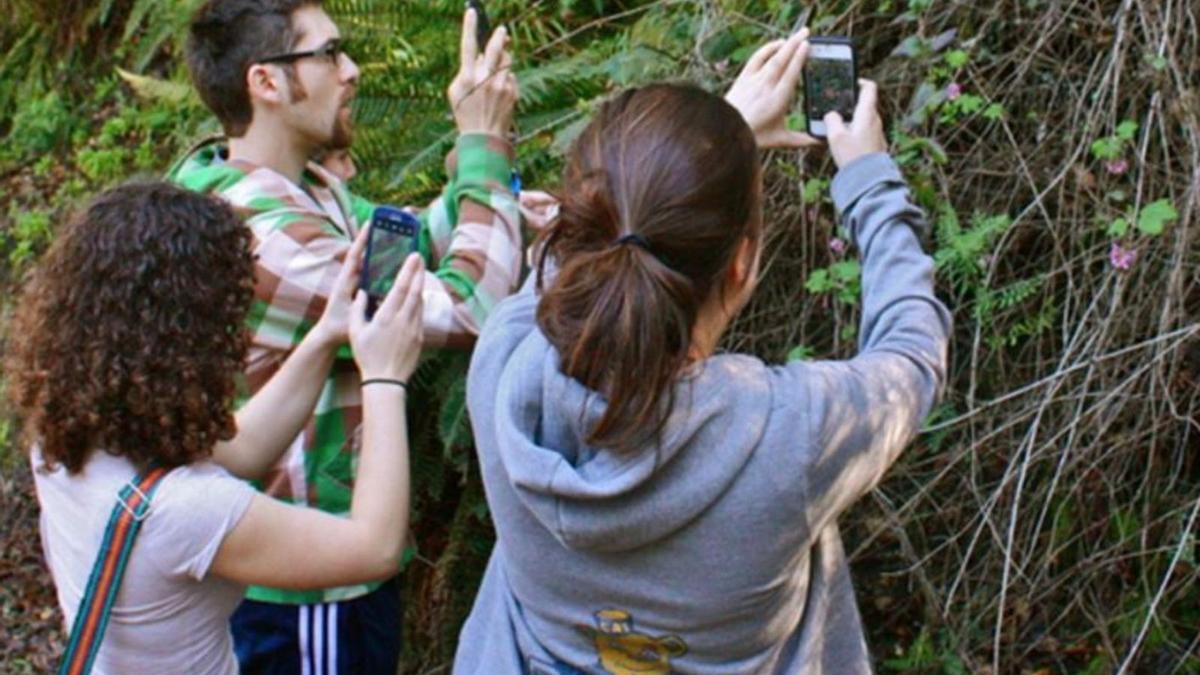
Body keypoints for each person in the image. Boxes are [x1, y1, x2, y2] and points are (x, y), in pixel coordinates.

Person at [454, 30, 952, 673]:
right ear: (743, 265)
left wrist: (722, 137)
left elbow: (577, 259)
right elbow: (911, 357)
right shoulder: (786, 435)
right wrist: (867, 177)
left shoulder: (500, 364)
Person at [169, 1, 524, 671]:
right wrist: (482, 145)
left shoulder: (301, 193)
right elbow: (473, 303)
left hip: (324, 564)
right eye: (329, 54)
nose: (353, 71)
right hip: (307, 588)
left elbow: (416, 246)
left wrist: (491, 189)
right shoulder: (262, 235)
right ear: (266, 82)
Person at [8, 182, 425, 675]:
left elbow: (245, 448)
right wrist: (384, 378)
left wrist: (328, 331)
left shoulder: (66, 431)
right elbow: (374, 548)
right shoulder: (187, 512)